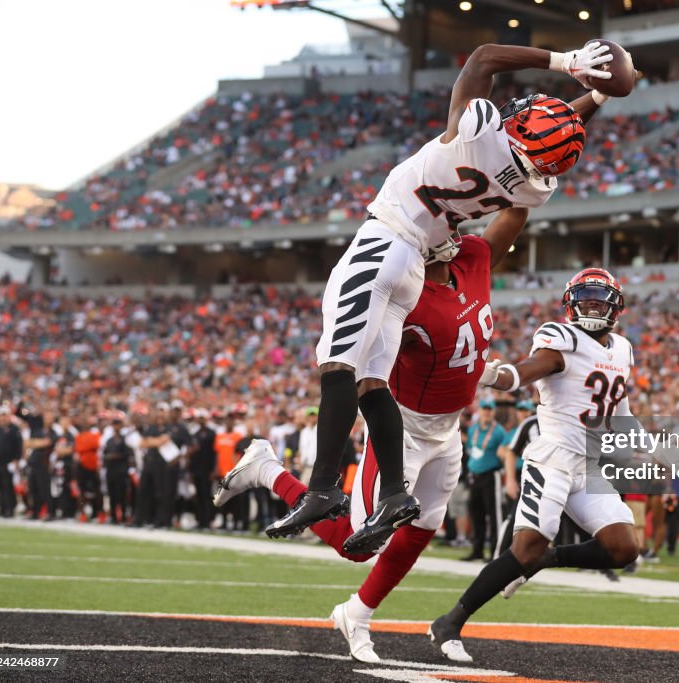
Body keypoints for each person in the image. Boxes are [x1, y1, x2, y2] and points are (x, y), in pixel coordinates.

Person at [267, 40, 614, 555]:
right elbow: (550, 134)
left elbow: (482, 58)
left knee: (337, 368)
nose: (517, 114)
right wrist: (599, 98)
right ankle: (392, 495)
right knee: (370, 380)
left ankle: (321, 487)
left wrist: (567, 64)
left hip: (386, 240)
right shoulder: (531, 185)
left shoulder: (471, 133)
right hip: (412, 261)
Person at [215, 210, 536, 662]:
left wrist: (531, 176)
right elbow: (362, 376)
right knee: (357, 541)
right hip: (403, 430)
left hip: (448, 430)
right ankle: (267, 469)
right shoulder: (401, 294)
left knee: (421, 528)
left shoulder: (473, 258)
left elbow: (513, 215)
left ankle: (357, 613)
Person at [428, 268, 679, 663]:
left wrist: (654, 448)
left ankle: (546, 560)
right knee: (526, 546)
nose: (591, 304)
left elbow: (620, 412)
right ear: (571, 304)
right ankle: (449, 623)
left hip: (589, 466)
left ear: (615, 306)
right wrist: (493, 374)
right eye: (585, 297)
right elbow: (526, 371)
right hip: (553, 457)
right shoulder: (561, 337)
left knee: (624, 548)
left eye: (599, 298)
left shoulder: (622, 349)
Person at [463, 398, 507, 562]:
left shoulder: (499, 431)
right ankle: (477, 550)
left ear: (493, 412)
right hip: (474, 475)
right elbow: (470, 449)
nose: (487, 412)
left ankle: (495, 552)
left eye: (489, 409)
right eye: (484, 409)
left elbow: (504, 451)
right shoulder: (473, 429)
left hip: (491, 475)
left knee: (494, 515)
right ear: (479, 411)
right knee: (476, 514)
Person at [496, 400, 539, 557]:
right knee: (514, 517)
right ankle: (499, 556)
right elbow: (505, 452)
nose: (523, 413)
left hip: (558, 477)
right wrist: (510, 479)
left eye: (525, 410)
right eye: (520, 410)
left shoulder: (562, 423)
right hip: (529, 476)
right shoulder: (528, 425)